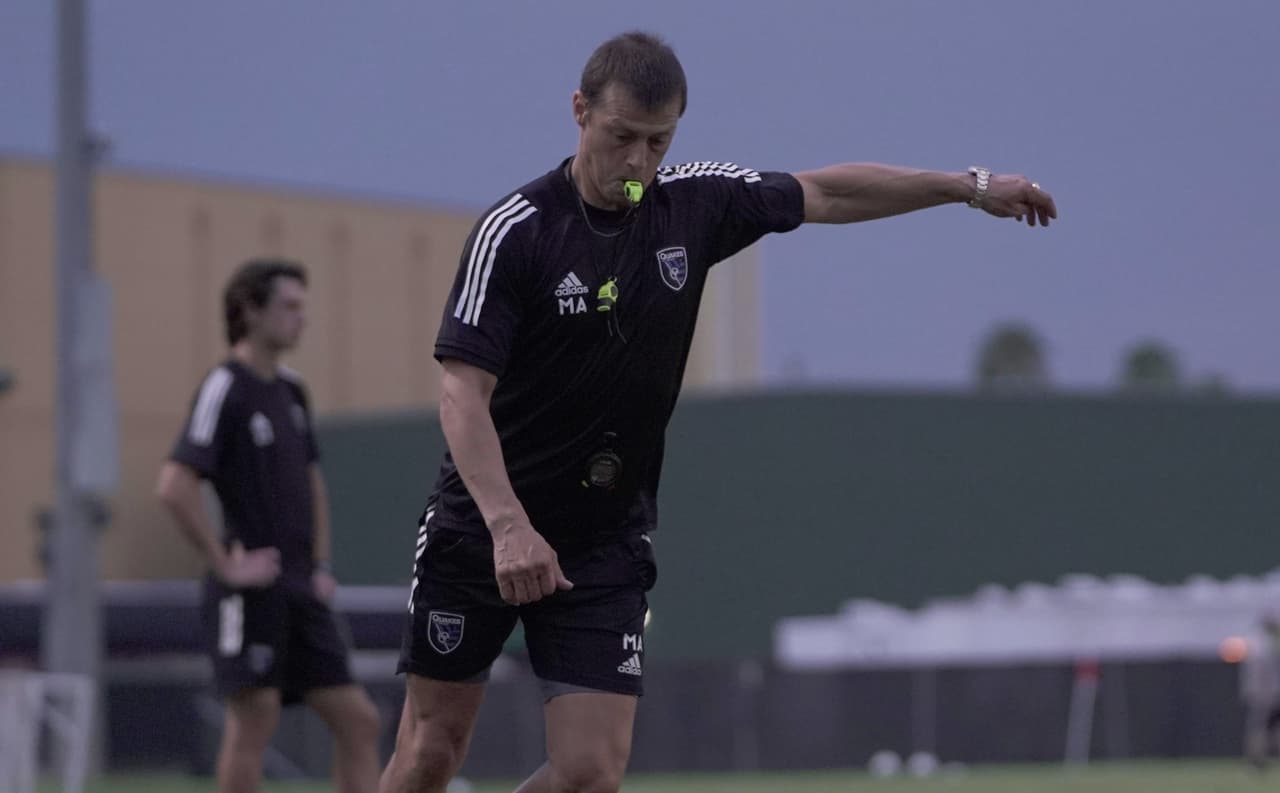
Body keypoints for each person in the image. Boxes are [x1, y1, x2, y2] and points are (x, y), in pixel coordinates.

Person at [379, 31, 1058, 793]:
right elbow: (460, 392)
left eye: (658, 141)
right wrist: (508, 527)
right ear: (579, 112)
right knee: (432, 750)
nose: (639, 162)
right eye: (621, 137)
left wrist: (968, 185)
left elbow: (827, 191)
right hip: (485, 528)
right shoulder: (517, 232)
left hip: (602, 540)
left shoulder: (694, 204)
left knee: (590, 771)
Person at [156, 259, 381, 793]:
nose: (301, 319)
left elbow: (312, 482)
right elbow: (174, 485)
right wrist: (226, 564)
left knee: (360, 721)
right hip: (250, 596)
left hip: (301, 590)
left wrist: (320, 565)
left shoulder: (292, 391)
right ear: (249, 311)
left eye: (304, 307)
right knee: (254, 723)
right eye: (289, 306)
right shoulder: (224, 387)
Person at [1242, 613, 1280, 769]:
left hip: (1266, 694)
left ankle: (1260, 760)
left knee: (1267, 728)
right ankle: (1256, 761)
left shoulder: (1264, 643)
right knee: (1260, 728)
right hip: (1264, 696)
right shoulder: (1261, 645)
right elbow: (1260, 675)